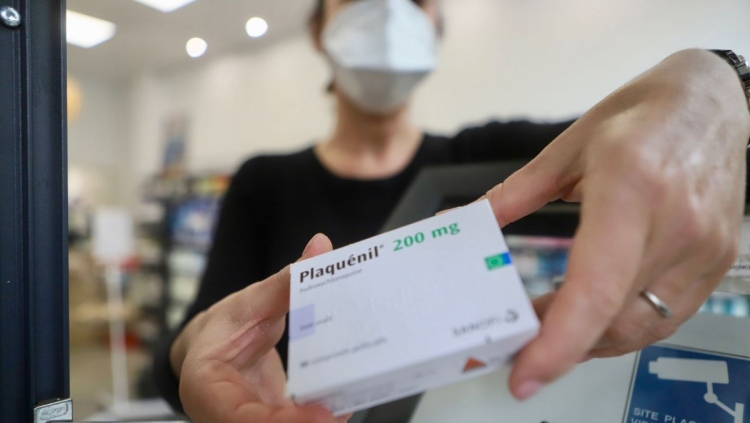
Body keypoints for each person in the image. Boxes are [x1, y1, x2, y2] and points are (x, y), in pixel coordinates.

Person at [153, 0, 750, 422]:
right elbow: (175, 359)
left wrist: (718, 83)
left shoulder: (487, 161)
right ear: (317, 29)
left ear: (435, 26)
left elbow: (642, 149)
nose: (387, 12)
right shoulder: (264, 182)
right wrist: (200, 347)